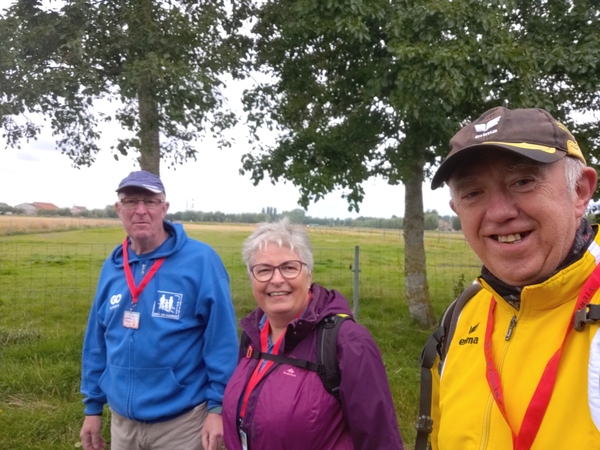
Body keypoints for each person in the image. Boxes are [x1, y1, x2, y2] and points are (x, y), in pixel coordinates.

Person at [426, 106, 600, 449]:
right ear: (457, 209)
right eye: (473, 193)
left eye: (522, 181)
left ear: (580, 191)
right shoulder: (460, 316)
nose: (500, 213)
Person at [79, 170, 238, 450]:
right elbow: (97, 341)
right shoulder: (113, 266)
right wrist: (92, 408)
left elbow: (221, 341)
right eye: (131, 201)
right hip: (122, 423)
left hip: (182, 423)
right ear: (118, 209)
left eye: (150, 201)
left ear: (164, 208)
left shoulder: (201, 261)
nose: (140, 210)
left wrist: (218, 409)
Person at [222, 218, 403, 450]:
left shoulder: (347, 343)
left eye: (289, 267)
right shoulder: (252, 334)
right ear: (251, 278)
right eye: (264, 270)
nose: (277, 280)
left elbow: (380, 441)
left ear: (308, 275)